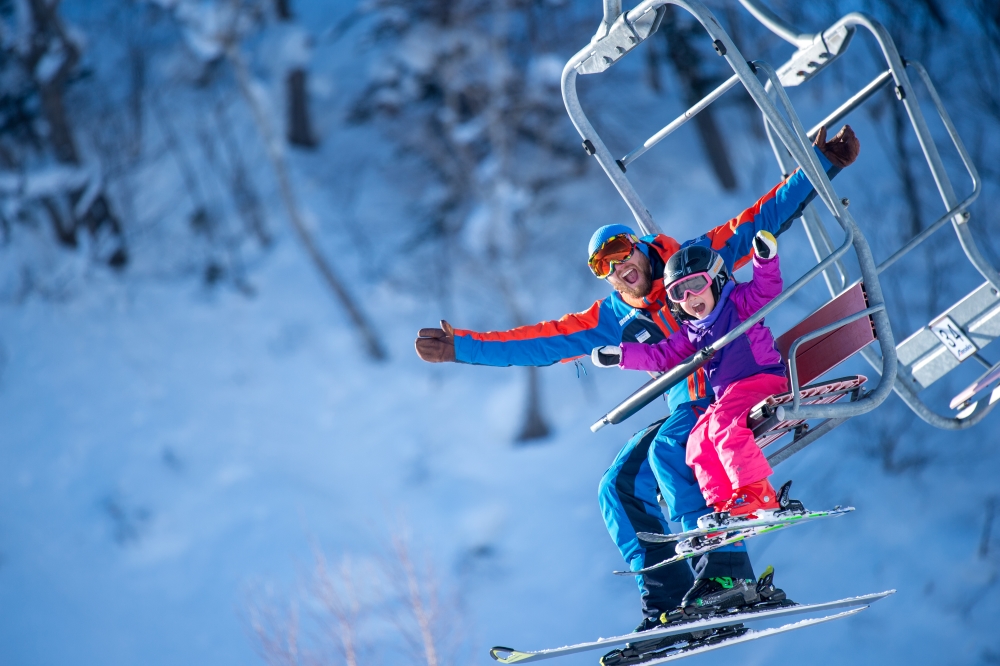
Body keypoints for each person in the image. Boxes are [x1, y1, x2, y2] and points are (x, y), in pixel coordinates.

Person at [414, 126, 859, 629]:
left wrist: (822, 164)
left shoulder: (691, 265)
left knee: (672, 453)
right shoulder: (609, 318)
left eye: (622, 251)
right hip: (689, 410)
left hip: (724, 394)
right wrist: (463, 348)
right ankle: (667, 600)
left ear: (640, 248)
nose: (620, 267)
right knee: (617, 486)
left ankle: (725, 575)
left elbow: (762, 216)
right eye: (605, 265)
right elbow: (537, 341)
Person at [592, 231, 787, 531]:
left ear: (716, 281)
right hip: (732, 395)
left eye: (696, 286)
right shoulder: (692, 331)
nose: (689, 298)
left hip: (760, 380)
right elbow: (662, 357)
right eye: (678, 294)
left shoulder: (737, 303)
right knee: (696, 440)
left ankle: (758, 494)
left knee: (722, 425)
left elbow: (767, 289)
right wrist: (621, 355)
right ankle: (723, 504)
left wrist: (764, 257)